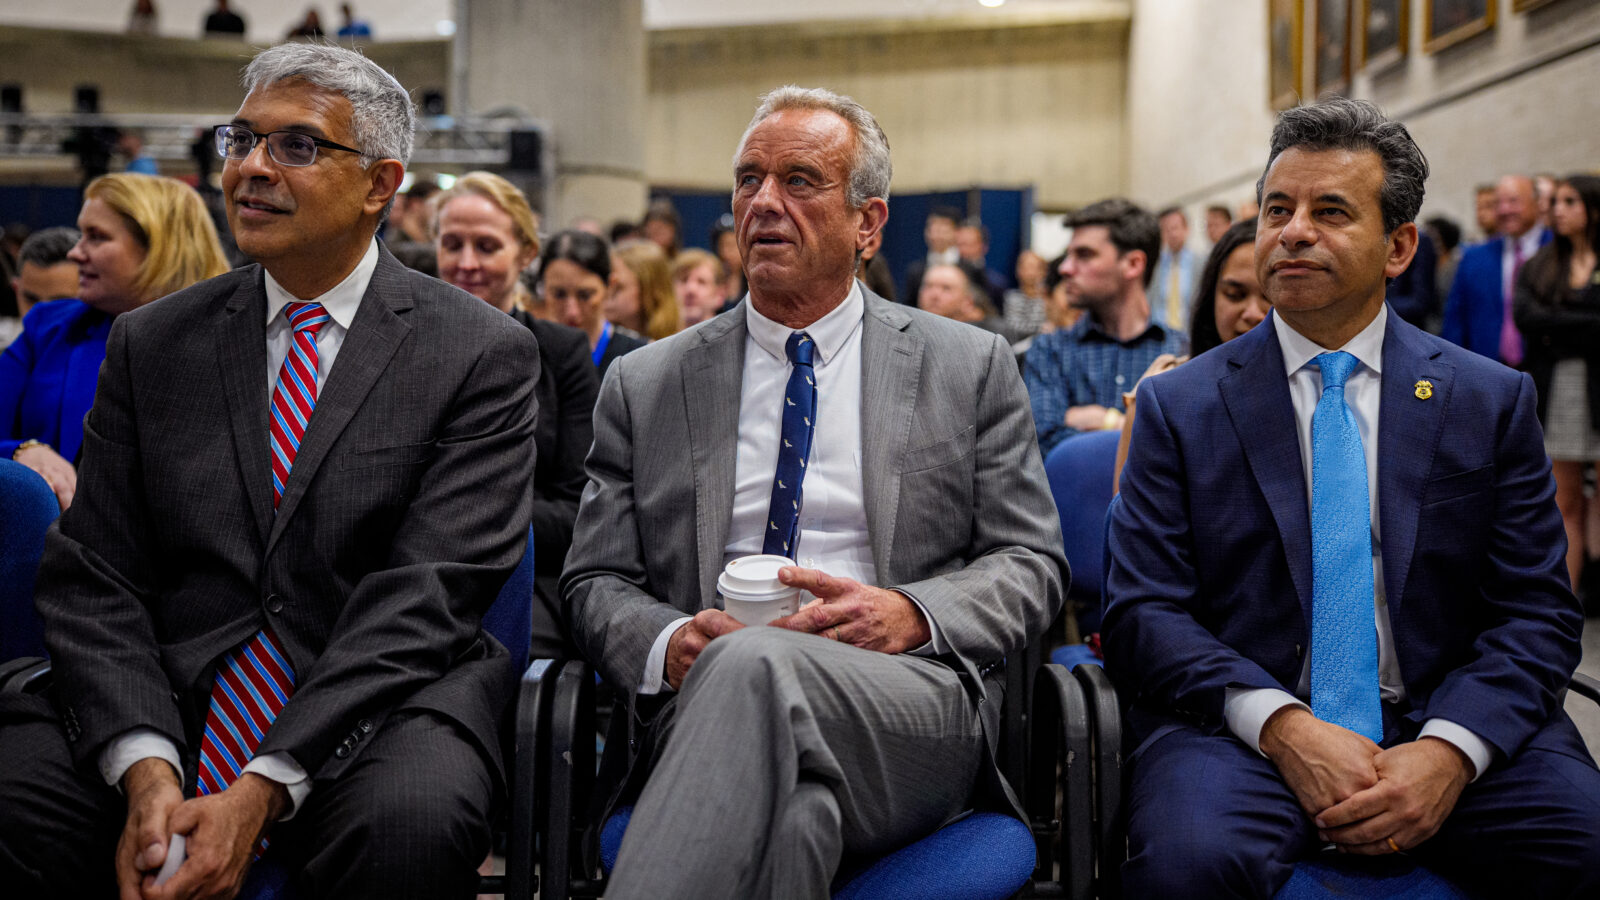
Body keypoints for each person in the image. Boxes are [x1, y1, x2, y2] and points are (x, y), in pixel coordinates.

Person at [0, 43, 538, 899]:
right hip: (168, 692)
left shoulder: (479, 354)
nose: (250, 167)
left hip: (375, 704)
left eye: (295, 146)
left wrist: (262, 785)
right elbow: (95, 573)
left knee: (411, 821)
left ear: (379, 184)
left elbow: (428, 594)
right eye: (241, 138)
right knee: (17, 794)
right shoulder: (153, 343)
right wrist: (147, 768)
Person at [560, 85, 1065, 899]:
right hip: (705, 708)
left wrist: (912, 613)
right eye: (748, 180)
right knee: (800, 823)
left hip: (909, 709)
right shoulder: (647, 382)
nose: (763, 202)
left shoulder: (967, 366)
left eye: (799, 181)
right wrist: (672, 642)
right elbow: (592, 582)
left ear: (869, 224)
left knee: (758, 662)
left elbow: (1031, 563)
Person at [1104, 96, 1600, 899]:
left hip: (1447, 711)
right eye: (1277, 209)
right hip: (1245, 731)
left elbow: (1537, 611)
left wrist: (1449, 750)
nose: (1293, 231)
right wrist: (1284, 727)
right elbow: (1143, 613)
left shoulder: (1488, 399)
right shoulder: (1179, 407)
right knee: (1187, 866)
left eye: (1330, 211)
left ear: (1399, 246)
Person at [433, 171, 599, 660]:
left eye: (486, 246)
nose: (466, 263)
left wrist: (460, 515)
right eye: (452, 244)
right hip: (416, 576)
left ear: (526, 253)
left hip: (526, 580)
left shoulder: (561, 354)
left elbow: (579, 509)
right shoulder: (408, 348)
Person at [2, 176, 227, 510]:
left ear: (159, 249)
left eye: (96, 237)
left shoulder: (231, 344)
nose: (75, 253)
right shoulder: (50, 326)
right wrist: (24, 450)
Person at [1112, 219, 1268, 493]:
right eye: (1235, 295)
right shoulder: (1161, 390)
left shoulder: (1317, 386)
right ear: (1211, 298)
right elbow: (1133, 528)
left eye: (1269, 296)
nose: (1252, 312)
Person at [1022, 198, 1186, 456]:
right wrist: (1139, 431)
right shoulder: (1049, 351)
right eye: (1068, 254)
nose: (1065, 268)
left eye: (1084, 255)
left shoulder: (1181, 352)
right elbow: (1045, 447)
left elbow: (1189, 450)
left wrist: (1105, 421)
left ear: (1133, 264)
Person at [1515, 174, 1600, 592]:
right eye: (1557, 201)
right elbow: (1528, 318)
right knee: (1563, 498)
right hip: (1561, 385)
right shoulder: (1543, 264)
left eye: (1570, 201)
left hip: (1597, 382)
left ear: (1593, 208)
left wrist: (1560, 324)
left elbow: (1548, 321)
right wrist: (1588, 323)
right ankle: (1568, 601)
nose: (1558, 209)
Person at [1441, 174, 1550, 366]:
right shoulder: (1474, 258)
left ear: (1537, 203)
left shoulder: (1559, 250)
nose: (1504, 210)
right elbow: (1455, 323)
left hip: (1546, 372)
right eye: (1497, 203)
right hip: (1489, 373)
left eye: (1513, 201)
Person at [542, 229, 646, 376]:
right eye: (559, 295)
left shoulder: (639, 356)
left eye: (585, 295)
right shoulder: (527, 355)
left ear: (610, 287)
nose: (572, 311)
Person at [2, 225, 80, 345]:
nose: (40, 314)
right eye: (31, 299)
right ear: (16, 290)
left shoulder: (111, 358)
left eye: (58, 303)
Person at [608, 239, 683, 341]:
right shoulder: (601, 338)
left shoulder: (678, 342)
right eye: (606, 285)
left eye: (618, 288)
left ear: (649, 290)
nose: (606, 295)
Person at [917, 261, 1009, 337]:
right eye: (928, 286)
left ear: (967, 301)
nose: (934, 295)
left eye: (946, 288)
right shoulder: (907, 330)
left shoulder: (989, 337)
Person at [1151, 205, 1200, 333]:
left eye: (1175, 228)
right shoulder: (1155, 265)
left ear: (1186, 229)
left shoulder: (1200, 263)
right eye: (1165, 230)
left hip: (1188, 334)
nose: (1172, 234)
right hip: (1161, 334)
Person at [901, 205, 960, 305]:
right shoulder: (916, 271)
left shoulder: (970, 269)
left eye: (943, 230)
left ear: (956, 232)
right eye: (933, 229)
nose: (937, 235)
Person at [671, 247, 728, 325]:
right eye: (684, 280)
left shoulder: (735, 337)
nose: (690, 289)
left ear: (720, 295)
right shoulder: (656, 336)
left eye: (701, 282)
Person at [1002, 248, 1049, 339]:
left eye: (1033, 267)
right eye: (1024, 267)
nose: (1029, 272)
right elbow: (1012, 328)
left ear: (1043, 271)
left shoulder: (1049, 298)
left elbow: (1051, 328)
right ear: (1018, 271)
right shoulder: (1011, 297)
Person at [710, 213, 746, 300]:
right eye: (721, 245)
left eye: (732, 245)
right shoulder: (711, 279)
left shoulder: (756, 282)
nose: (725, 253)